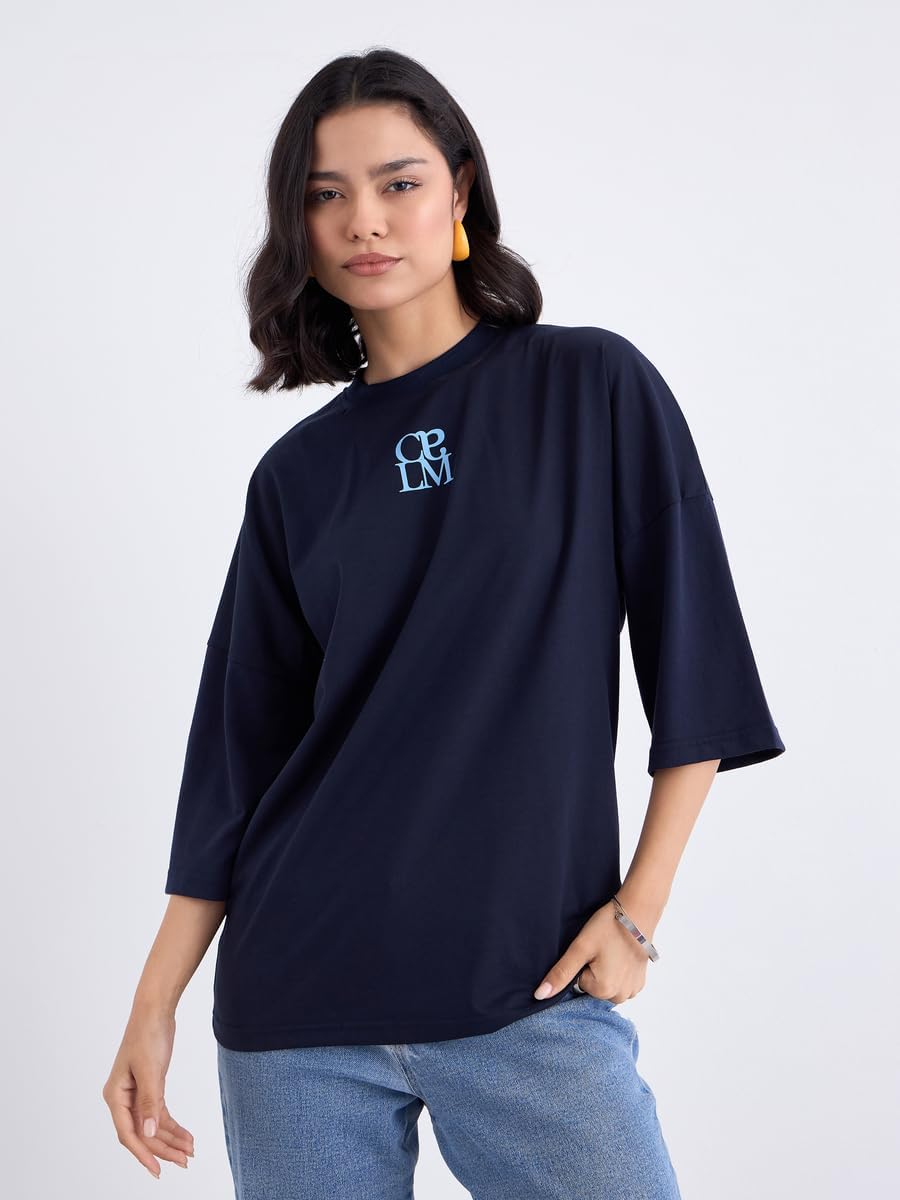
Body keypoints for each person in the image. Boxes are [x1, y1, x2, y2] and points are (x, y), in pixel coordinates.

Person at [102, 48, 786, 1199]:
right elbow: (235, 762)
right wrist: (153, 1002)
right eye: (326, 194)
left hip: (530, 988)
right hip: (299, 1008)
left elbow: (699, 671)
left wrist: (638, 915)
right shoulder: (297, 479)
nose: (364, 221)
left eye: (399, 182)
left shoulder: (591, 389)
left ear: (460, 190)